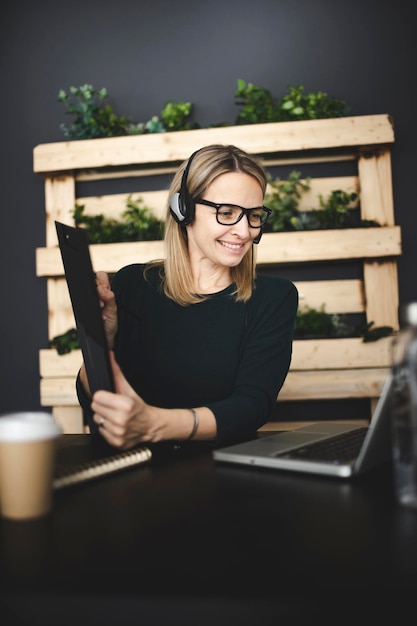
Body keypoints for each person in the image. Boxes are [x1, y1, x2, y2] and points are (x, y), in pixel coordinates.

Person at [76, 144, 298, 450]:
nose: (244, 231)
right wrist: (102, 342)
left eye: (254, 216)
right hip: (131, 468)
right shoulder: (133, 283)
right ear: (184, 210)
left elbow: (251, 406)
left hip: (221, 477)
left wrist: (155, 424)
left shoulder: (273, 298)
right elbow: (97, 401)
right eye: (227, 213)